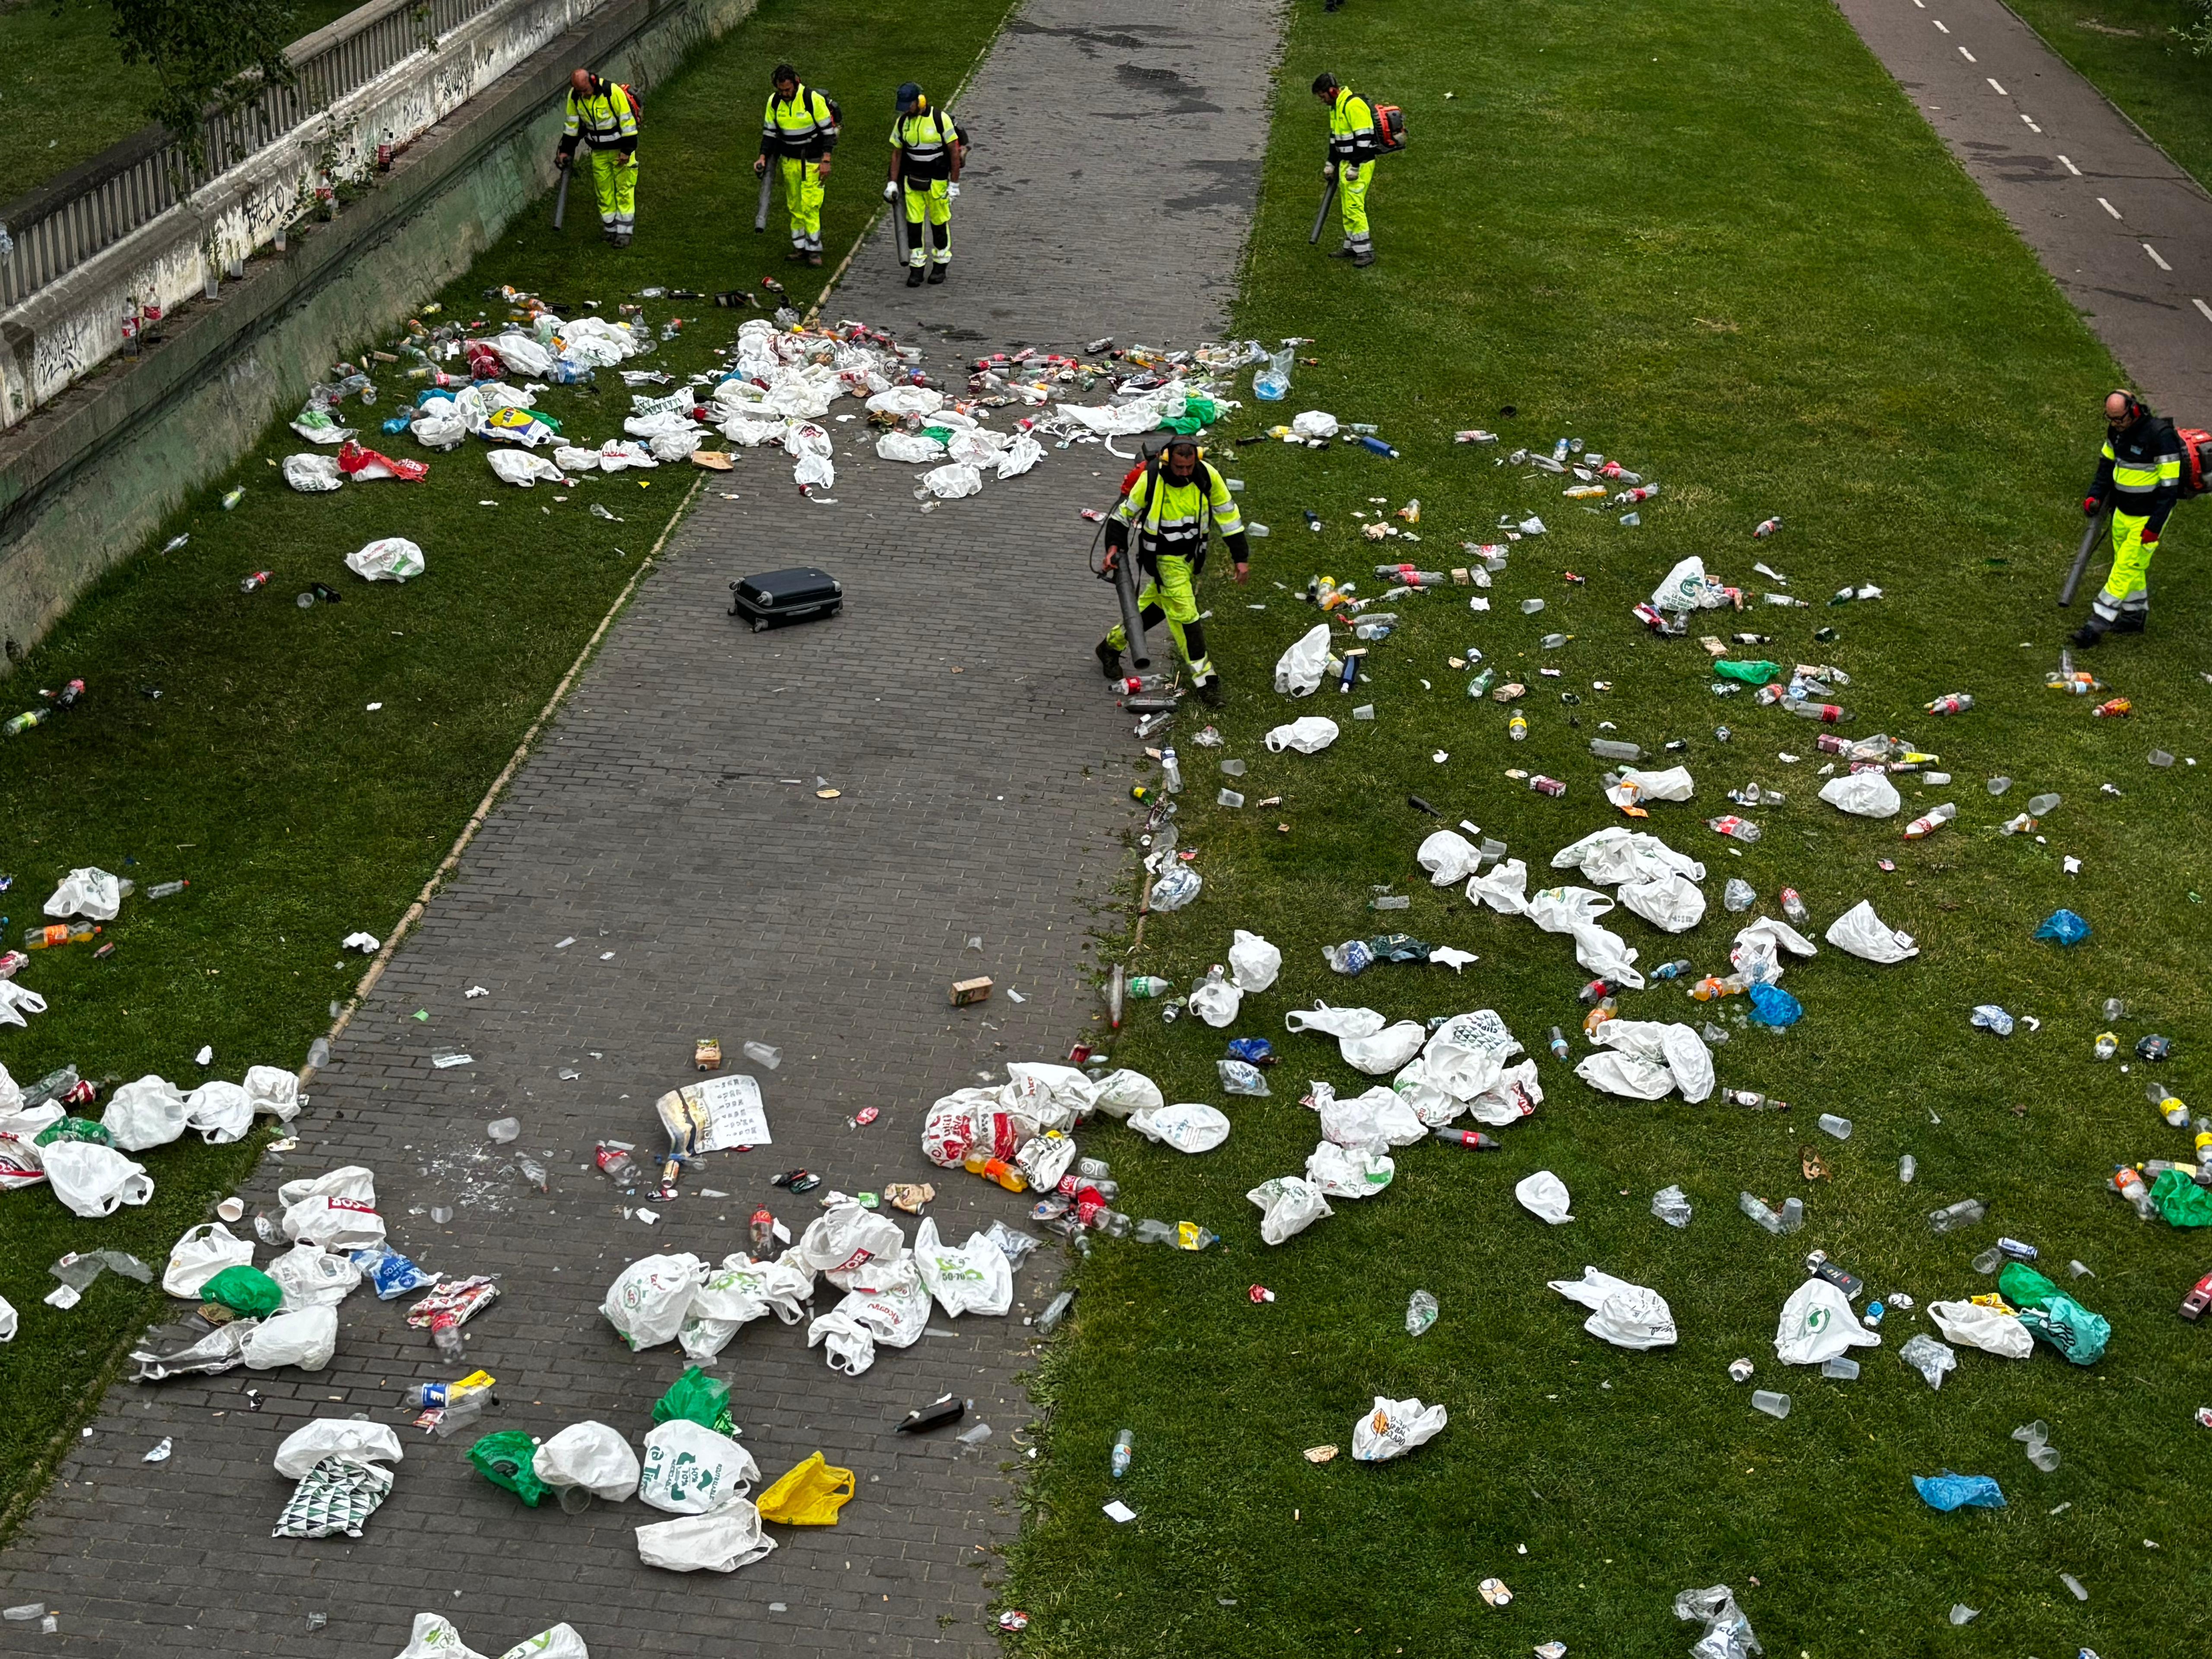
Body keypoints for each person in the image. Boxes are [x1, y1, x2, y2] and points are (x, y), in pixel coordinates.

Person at [1096, 437, 1251, 706]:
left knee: (1156, 606)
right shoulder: (1151, 480)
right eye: (1179, 468)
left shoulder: (1207, 475)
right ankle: (1206, 681)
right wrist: (1113, 548)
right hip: (1163, 560)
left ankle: (1110, 646)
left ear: (1196, 460)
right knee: (1186, 615)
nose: (1185, 474)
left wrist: (1241, 558)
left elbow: (1229, 516)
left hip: (1190, 558)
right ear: (1167, 460)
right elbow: (1122, 516)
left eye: (1189, 467)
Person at [2074, 389, 2183, 645]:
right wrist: (2095, 496)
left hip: (2146, 519)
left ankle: (2096, 624)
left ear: (2134, 411)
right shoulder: (2116, 433)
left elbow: (2170, 489)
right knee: (2131, 566)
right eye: (2110, 419)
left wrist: (2154, 527)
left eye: (2119, 419)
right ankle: (2135, 616)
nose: (2115, 425)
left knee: (2123, 570)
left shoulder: (2160, 437)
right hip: (2122, 513)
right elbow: (2106, 468)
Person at [755, 64, 839, 266]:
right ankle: (800, 247)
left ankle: (814, 251)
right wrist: (763, 157)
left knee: (811, 205)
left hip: (812, 161)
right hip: (789, 161)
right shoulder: (774, 103)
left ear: (796, 83)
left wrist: (826, 160)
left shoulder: (812, 100)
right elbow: (770, 134)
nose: (785, 94)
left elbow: (829, 134)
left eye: (788, 90)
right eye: (781, 90)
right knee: (795, 205)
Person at [884, 82, 963, 287]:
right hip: (912, 182)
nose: (905, 110)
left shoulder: (940, 119)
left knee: (939, 225)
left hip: (937, 182)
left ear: (920, 101)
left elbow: (954, 153)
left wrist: (954, 184)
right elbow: (897, 153)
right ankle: (917, 268)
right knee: (914, 226)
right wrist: (892, 183)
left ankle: (940, 265)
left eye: (908, 105)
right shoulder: (903, 122)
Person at [555, 69, 639, 247]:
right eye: (579, 91)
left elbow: (628, 123)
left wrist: (627, 151)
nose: (583, 95)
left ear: (593, 81)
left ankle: (624, 234)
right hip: (599, 152)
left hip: (620, 151)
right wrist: (565, 150)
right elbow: (573, 127)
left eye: (585, 90)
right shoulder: (576, 97)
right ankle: (611, 230)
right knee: (604, 192)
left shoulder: (612, 92)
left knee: (624, 190)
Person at [1313, 71, 1377, 267]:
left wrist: (1356, 167)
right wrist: (1331, 163)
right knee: (1347, 205)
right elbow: (1335, 140)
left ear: (1332, 92)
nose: (1323, 101)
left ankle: (1366, 252)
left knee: (1354, 206)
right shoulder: (1336, 108)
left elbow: (1365, 139)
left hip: (1360, 164)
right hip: (1346, 164)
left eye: (1323, 97)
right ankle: (1353, 246)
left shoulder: (1354, 106)